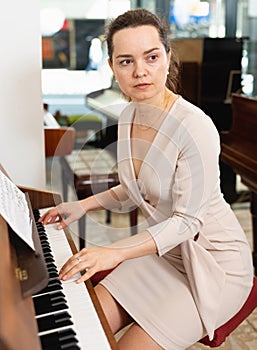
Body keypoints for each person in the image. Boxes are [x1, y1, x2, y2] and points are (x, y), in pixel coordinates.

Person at [39, 8, 254, 350]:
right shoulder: (128, 116)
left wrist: (113, 252)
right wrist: (82, 205)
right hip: (164, 254)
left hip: (212, 264)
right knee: (86, 329)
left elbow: (185, 222)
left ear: (167, 58)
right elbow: (132, 189)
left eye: (151, 57)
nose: (140, 71)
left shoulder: (195, 126)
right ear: (112, 67)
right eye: (126, 61)